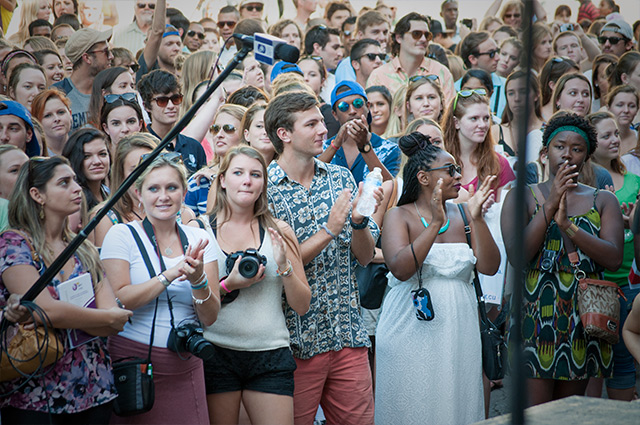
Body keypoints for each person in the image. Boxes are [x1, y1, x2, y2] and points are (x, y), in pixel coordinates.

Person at [265, 90, 382, 425]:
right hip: (296, 343)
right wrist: (329, 230)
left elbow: (362, 257)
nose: (323, 130)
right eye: (312, 123)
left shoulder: (341, 177)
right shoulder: (266, 190)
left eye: (322, 121)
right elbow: (280, 264)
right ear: (284, 134)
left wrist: (358, 223)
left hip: (348, 335)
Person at [501, 111, 624, 406]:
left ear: (587, 157)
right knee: (536, 413)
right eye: (559, 147)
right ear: (545, 152)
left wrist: (568, 225)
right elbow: (518, 256)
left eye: (577, 149)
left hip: (581, 318)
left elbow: (614, 258)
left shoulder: (603, 200)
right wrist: (552, 203)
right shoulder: (521, 196)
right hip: (534, 317)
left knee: (568, 413)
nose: (567, 155)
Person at [376, 131, 499, 424]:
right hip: (408, 330)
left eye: (458, 169)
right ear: (423, 177)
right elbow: (401, 268)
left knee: (453, 406)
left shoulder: (465, 214)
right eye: (450, 170)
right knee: (412, 407)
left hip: (459, 331)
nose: (459, 175)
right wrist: (434, 224)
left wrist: (478, 218)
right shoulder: (399, 215)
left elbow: (490, 267)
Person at [0, 155, 132, 423]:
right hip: (35, 395)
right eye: (63, 182)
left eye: (74, 180)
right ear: (37, 194)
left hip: (94, 387)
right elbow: (44, 310)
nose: (77, 188)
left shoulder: (82, 246)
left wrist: (104, 318)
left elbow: (111, 317)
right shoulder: (15, 243)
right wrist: (106, 318)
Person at [190, 145, 310, 424]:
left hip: (269, 352)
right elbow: (198, 305)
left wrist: (284, 266)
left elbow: (302, 305)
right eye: (238, 173)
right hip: (216, 351)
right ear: (222, 180)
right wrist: (229, 284)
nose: (247, 180)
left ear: (263, 183)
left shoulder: (279, 231)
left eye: (256, 174)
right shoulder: (200, 229)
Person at [100, 152, 221, 424]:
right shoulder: (122, 235)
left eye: (171, 188)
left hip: (186, 361)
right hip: (134, 362)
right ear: (138, 194)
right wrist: (168, 275)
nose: (163, 196)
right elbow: (122, 300)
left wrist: (198, 279)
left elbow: (211, 317)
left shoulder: (199, 237)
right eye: (153, 188)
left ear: (184, 192)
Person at [588, 110, 640, 400]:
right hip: (598, 282)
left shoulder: (633, 180)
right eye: (605, 135)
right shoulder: (586, 182)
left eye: (616, 134)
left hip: (631, 282)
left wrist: (634, 222)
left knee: (623, 359)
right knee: (595, 360)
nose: (614, 140)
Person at [321, 80, 401, 185]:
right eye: (343, 107)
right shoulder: (321, 148)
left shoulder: (389, 149)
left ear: (367, 107)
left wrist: (365, 147)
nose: (352, 111)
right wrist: (335, 145)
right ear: (334, 114)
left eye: (357, 104)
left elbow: (391, 190)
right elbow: (308, 180)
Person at [442, 89, 515, 202]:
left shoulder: (499, 163)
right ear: (456, 122)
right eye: (474, 118)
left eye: (486, 118)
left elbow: (504, 213)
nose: (482, 125)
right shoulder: (439, 163)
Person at [367, 12, 455, 104]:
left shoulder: (442, 73)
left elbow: (448, 115)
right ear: (399, 37)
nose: (423, 39)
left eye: (427, 35)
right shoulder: (379, 76)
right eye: (416, 34)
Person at [137, 69, 206, 175]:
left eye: (175, 99)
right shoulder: (140, 146)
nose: (171, 106)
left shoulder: (194, 147)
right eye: (162, 101)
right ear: (146, 106)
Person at [186, 103, 247, 217]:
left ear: (246, 134)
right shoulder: (199, 180)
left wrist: (215, 179)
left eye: (228, 129)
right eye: (215, 129)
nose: (219, 135)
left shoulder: (255, 176)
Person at [52, 27, 113, 132]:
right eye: (105, 51)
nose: (111, 56)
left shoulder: (109, 92)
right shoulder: (56, 94)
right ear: (87, 58)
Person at [492, 70, 544, 163]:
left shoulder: (547, 130)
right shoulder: (495, 132)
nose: (517, 99)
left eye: (523, 92)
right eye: (511, 93)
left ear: (536, 94)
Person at [456, 31, 507, 118]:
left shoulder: (507, 86)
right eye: (491, 54)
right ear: (472, 59)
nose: (498, 58)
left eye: (497, 51)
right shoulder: (454, 90)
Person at [61, 127, 110, 211]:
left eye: (102, 154)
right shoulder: (74, 200)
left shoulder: (108, 192)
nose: (97, 161)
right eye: (87, 156)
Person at [31, 89, 72, 157]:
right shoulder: (36, 156)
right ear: (38, 122)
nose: (57, 119)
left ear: (70, 114)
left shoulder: (84, 150)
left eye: (61, 112)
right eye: (48, 115)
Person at [605, 84, 639, 155]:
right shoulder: (599, 139)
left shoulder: (638, 138)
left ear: (637, 110)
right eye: (620, 105)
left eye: (631, 106)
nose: (626, 110)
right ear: (608, 108)